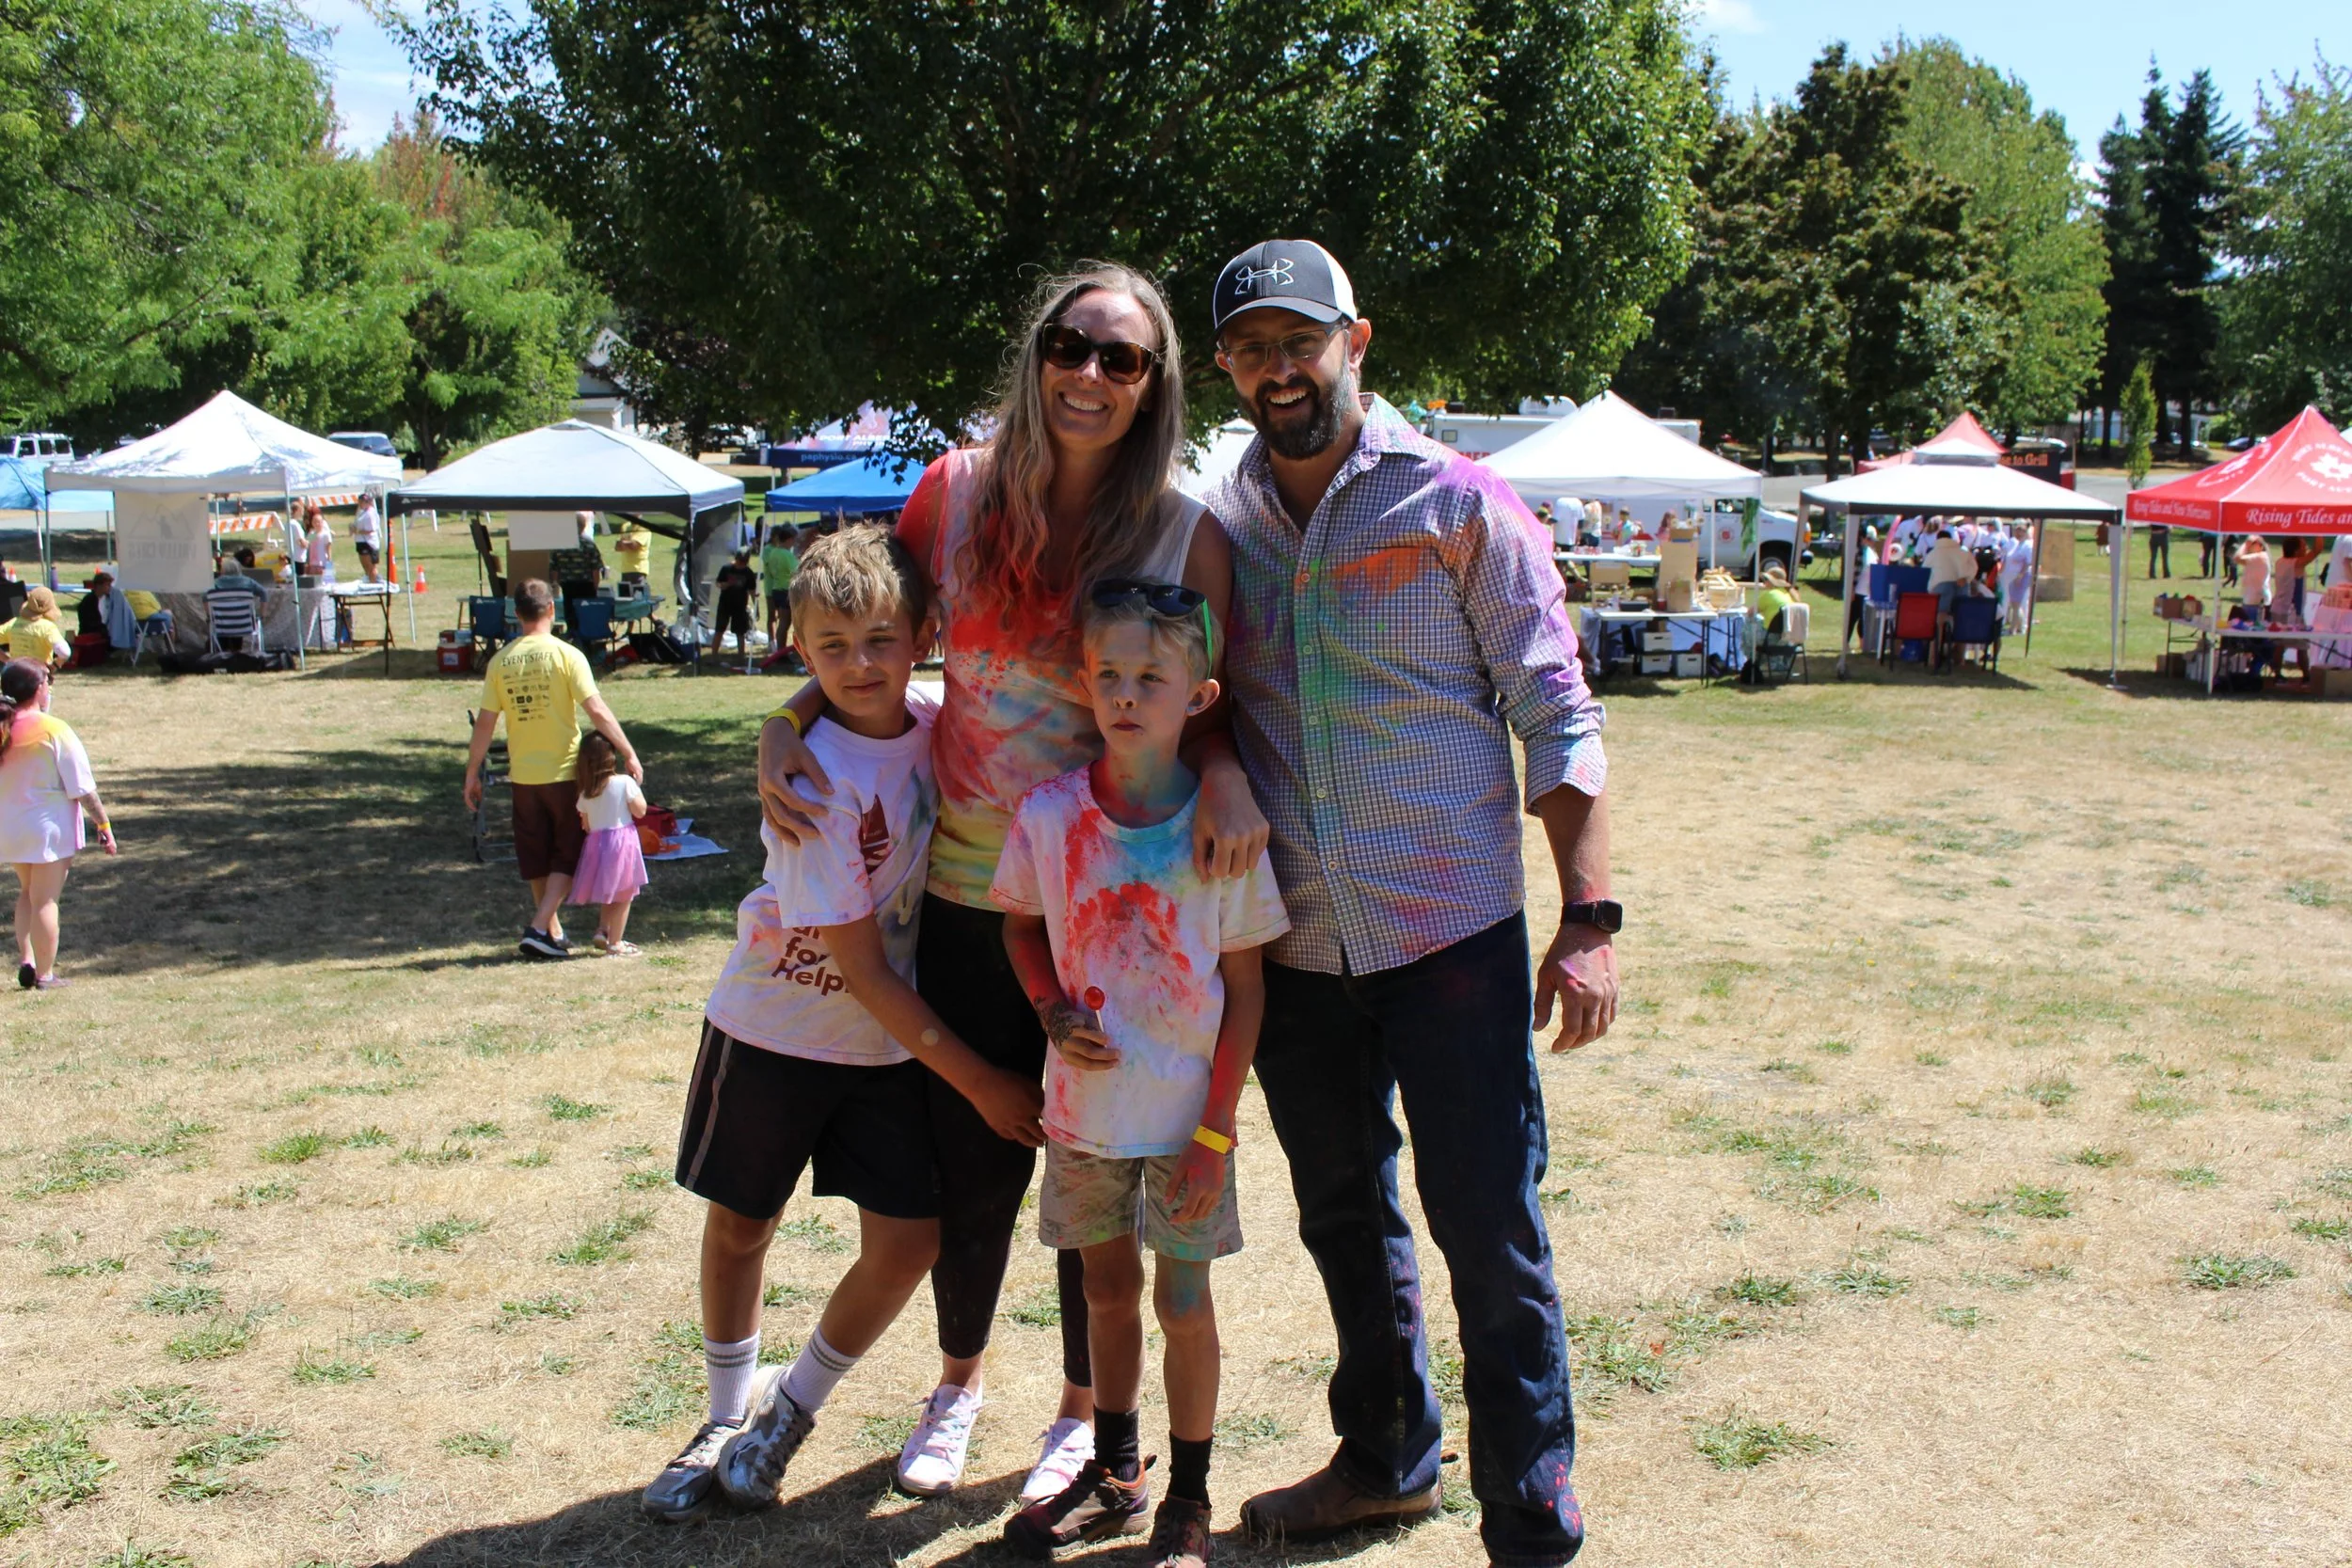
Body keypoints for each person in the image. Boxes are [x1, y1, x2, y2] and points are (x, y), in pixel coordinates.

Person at [755, 261, 1259, 1506]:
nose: (1090, 373)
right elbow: (870, 638)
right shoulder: (954, 492)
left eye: (1122, 358)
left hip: (1109, 908)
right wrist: (791, 712)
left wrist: (1232, 765)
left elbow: (1210, 699)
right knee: (976, 1162)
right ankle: (959, 1378)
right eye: (1069, 345)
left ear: (1154, 386)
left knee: (1101, 1179)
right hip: (970, 893)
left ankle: (1088, 1411)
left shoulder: (1186, 528)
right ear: (1038, 357)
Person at [1199, 239, 1613, 1565]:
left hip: (1451, 937)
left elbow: (1556, 707)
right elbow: (1185, 694)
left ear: (1354, 343)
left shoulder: (1455, 500)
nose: (1281, 367)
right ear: (1228, 366)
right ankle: (1387, 1453)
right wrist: (1210, 765)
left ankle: (1530, 1515)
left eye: (1300, 342)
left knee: (1487, 1224)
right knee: (1343, 1215)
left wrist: (1588, 917)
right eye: (1254, 347)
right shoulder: (1223, 521)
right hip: (1299, 945)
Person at [644, 527, 1046, 1522]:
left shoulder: (932, 723)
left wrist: (788, 708)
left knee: (908, 1241)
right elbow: (859, 965)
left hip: (883, 1043)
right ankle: (722, 1415)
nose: (859, 663)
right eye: (831, 647)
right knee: (742, 1224)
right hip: (777, 1025)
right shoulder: (812, 782)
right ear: (797, 645)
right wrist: (983, 1082)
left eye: (880, 638)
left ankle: (792, 1408)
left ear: (924, 636)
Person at [993, 587, 1288, 1565]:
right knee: (1104, 1291)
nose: (1125, 694)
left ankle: (1191, 1496)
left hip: (1185, 1128)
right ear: (1084, 684)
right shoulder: (1046, 817)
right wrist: (1047, 1007)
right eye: (1108, 675)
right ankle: (1116, 1470)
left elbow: (1244, 992)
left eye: (1150, 678)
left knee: (1182, 1302)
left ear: (1196, 695)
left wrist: (1214, 1129)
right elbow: (1020, 923)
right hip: (1082, 1117)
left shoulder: (1223, 835)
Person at [463, 578, 642, 959]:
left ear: (516, 614)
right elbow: (595, 709)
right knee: (566, 854)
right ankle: (541, 926)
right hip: (563, 773)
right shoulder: (566, 655)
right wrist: (627, 750)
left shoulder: (500, 661)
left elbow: (485, 723)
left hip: (523, 776)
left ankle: (551, 932)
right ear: (551, 610)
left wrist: (472, 772)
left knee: (536, 855)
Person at [1, 658, 116, 990]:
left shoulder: (4, 726)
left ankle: (27, 959)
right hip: (46, 828)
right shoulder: (53, 728)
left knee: (26, 893)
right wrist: (103, 825)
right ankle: (45, 974)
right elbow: (82, 788)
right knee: (45, 900)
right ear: (39, 690)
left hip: (9, 827)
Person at [570, 730, 650, 956]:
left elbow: (585, 824)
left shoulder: (586, 793)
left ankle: (603, 930)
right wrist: (636, 786)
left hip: (596, 844)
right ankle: (616, 943)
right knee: (625, 893)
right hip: (622, 842)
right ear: (611, 757)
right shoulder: (624, 782)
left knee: (609, 890)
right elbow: (641, 811)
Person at [3, 586, 72, 671]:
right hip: (38, 676)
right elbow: (65, 652)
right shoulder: (47, 628)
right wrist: (56, 664)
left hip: (15, 674)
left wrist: (7, 660)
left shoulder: (14, 623)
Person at [760, 523, 801, 652]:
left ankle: (780, 650)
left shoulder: (774, 552)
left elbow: (771, 571)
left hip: (776, 589)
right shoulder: (786, 555)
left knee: (782, 622)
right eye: (794, 539)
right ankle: (781, 652)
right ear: (789, 539)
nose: (794, 543)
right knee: (785, 623)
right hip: (785, 590)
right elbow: (798, 571)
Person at [713, 548, 759, 658]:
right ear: (736, 559)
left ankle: (741, 655)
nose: (741, 565)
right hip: (725, 604)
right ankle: (714, 654)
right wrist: (726, 584)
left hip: (740, 606)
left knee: (740, 632)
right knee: (719, 629)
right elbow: (718, 583)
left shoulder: (748, 573)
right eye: (740, 562)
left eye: (743, 562)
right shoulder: (726, 569)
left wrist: (756, 607)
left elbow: (752, 591)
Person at [1924, 527, 1979, 617]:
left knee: (1941, 613)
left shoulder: (1933, 553)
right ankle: (1957, 630)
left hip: (1940, 585)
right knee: (1960, 614)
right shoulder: (1963, 552)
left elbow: (1925, 570)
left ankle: (1940, 631)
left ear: (1937, 539)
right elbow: (1974, 567)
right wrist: (1967, 577)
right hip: (1962, 583)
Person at [352, 493, 384, 582]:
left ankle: (374, 582)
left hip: (368, 542)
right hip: (361, 541)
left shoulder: (370, 513)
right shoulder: (363, 511)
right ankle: (370, 581)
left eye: (362, 502)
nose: (360, 504)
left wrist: (357, 531)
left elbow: (371, 529)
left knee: (370, 566)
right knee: (365, 565)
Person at [300, 502, 335, 581]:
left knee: (323, 580)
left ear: (322, 523)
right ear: (312, 523)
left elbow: (328, 548)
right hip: (313, 563)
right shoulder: (312, 533)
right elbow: (307, 545)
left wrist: (329, 562)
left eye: (319, 522)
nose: (317, 524)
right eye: (315, 522)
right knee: (314, 581)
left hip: (322, 562)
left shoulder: (325, 534)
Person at [2236, 535, 2272, 609]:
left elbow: (2237, 558)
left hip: (2256, 600)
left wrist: (2246, 544)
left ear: (2260, 546)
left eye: (2253, 544)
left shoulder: (2261, 556)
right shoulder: (2254, 559)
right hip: (2251, 598)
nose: (2249, 547)